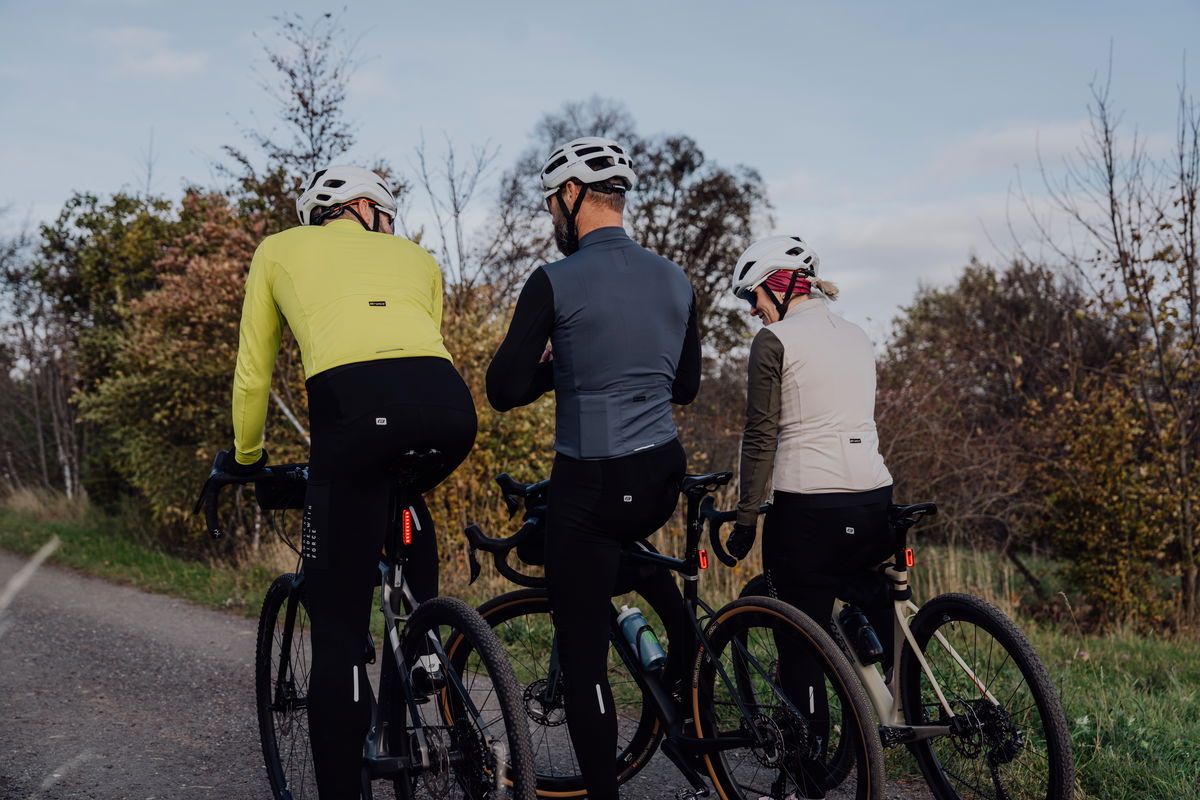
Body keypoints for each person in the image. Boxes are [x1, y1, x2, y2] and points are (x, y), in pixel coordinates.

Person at [223, 165, 477, 798]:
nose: (388, 228)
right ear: (367, 207)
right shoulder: (418, 258)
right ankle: (424, 644)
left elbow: (253, 372)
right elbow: (416, 341)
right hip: (450, 412)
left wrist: (247, 456)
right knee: (403, 492)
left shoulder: (278, 248)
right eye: (386, 217)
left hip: (356, 419)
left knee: (336, 633)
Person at [486, 136, 700, 800]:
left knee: (583, 660)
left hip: (594, 483)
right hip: (661, 477)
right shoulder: (676, 278)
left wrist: (557, 365)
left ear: (573, 195)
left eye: (553, 201)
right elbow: (686, 386)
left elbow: (503, 389)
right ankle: (682, 653)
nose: (553, 214)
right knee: (622, 551)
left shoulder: (554, 281)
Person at [727, 234, 894, 798]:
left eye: (753, 295)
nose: (753, 309)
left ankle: (806, 777)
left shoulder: (773, 341)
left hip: (808, 506)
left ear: (778, 285)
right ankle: (893, 694)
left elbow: (760, 435)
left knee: (800, 640)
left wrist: (746, 518)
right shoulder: (858, 336)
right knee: (871, 597)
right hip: (874, 498)